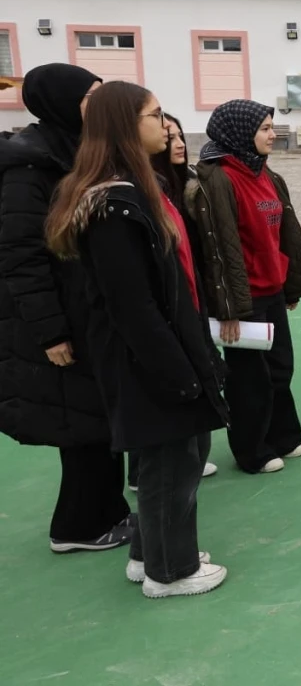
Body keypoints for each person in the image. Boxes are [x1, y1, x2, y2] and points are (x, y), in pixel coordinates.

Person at [45, 80, 229, 598]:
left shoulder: (135, 188)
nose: (165, 125)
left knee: (172, 454)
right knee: (172, 458)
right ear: (125, 126)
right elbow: (132, 305)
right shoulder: (113, 205)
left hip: (162, 347)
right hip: (147, 357)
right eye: (155, 114)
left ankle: (150, 553)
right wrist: (178, 372)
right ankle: (169, 572)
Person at [0, 63, 133, 554]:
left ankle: (107, 512)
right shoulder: (29, 166)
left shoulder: (77, 152)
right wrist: (51, 332)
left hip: (88, 312)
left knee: (99, 418)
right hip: (62, 319)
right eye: (90, 97)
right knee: (80, 425)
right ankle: (77, 527)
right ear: (60, 102)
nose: (99, 106)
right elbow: (21, 257)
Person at [186, 100, 301, 474]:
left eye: (271, 127)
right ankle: (252, 450)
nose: (272, 135)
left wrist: (289, 286)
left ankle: (284, 436)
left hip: (272, 290)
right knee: (250, 378)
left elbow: (284, 237)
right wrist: (228, 308)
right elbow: (216, 250)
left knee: (280, 368)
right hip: (243, 296)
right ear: (240, 133)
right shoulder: (218, 180)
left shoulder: (266, 174)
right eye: (264, 128)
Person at [129, 114, 218, 487]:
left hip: (190, 300)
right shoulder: (138, 194)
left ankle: (184, 459)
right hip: (169, 310)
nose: (177, 143)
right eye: (169, 134)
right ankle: (143, 472)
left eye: (180, 136)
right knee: (166, 392)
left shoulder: (184, 184)